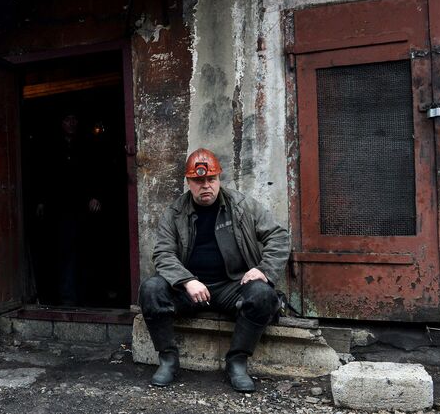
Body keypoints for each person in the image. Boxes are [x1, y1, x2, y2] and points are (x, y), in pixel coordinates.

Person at [138, 148, 290, 392]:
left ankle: (237, 362)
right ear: (189, 182)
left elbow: (278, 236)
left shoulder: (241, 205)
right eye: (198, 181)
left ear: (219, 179)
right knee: (151, 289)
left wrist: (264, 270)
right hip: (192, 289)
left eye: (211, 179)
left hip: (233, 286)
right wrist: (187, 280)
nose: (205, 186)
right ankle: (168, 359)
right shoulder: (175, 212)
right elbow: (163, 254)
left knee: (263, 295)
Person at [35, 111, 102, 306]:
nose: (71, 123)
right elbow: (44, 173)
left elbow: (97, 170)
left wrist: (96, 195)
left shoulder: (87, 144)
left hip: (84, 208)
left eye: (74, 119)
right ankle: (67, 297)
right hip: (60, 209)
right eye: (67, 119)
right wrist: (41, 201)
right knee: (63, 252)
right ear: (61, 123)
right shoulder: (52, 146)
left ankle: (87, 297)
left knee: (87, 251)